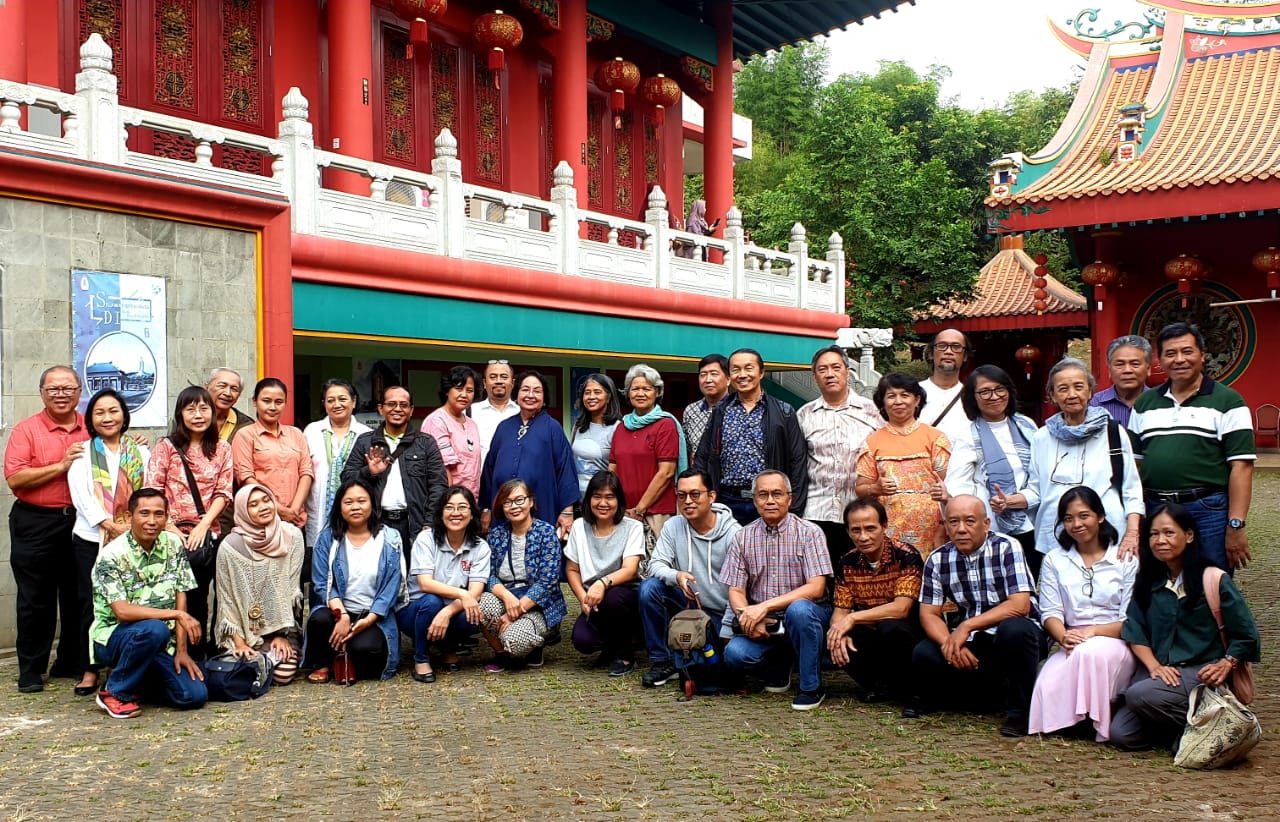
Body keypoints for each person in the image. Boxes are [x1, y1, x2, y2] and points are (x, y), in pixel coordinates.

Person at [1109, 503, 1260, 751]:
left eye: (1169, 533)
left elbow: (1246, 634)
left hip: (1200, 670)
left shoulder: (1213, 578)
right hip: (1160, 671)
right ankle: (1196, 729)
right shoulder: (1148, 580)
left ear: (1189, 535)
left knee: (1139, 695)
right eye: (1154, 534)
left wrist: (1227, 663)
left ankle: (1221, 722)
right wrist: (1154, 666)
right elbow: (1135, 629)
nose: (1160, 540)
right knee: (1122, 734)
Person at [907, 495, 1045, 737]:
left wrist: (966, 626)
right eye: (953, 522)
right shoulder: (938, 559)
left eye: (970, 521)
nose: (961, 529)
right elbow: (929, 614)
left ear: (987, 524)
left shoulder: (1007, 547)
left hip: (1016, 634)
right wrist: (950, 644)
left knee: (1014, 630)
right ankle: (974, 696)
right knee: (924, 653)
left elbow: (1020, 605)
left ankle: (1019, 713)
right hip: (975, 640)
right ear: (946, 526)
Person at [1128, 322, 1255, 574]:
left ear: (1202, 356)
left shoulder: (1228, 401)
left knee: (1211, 580)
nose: (1179, 360)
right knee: (1161, 579)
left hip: (1208, 509)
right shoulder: (1145, 404)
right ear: (1160, 361)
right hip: (1157, 508)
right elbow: (1135, 465)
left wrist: (1236, 524)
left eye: (1187, 351)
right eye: (1170, 353)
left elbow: (1241, 466)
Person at [999, 357, 1142, 580]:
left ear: (1090, 391)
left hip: (1108, 534)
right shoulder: (1042, 437)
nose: (1072, 394)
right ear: (1052, 395)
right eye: (1063, 389)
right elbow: (1037, 490)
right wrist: (1009, 501)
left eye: (1078, 386)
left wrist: (1132, 534)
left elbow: (1131, 488)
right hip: (1056, 536)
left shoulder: (1112, 431)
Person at [1028, 486, 1138, 741]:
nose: (1077, 524)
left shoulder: (1125, 558)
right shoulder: (1055, 560)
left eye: (1084, 515)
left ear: (1100, 516)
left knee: (1091, 652)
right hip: (1073, 643)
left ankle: (1096, 720)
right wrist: (1063, 636)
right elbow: (1050, 611)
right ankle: (1076, 719)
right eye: (1068, 519)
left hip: (1115, 641)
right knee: (1046, 682)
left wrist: (1093, 632)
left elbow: (1129, 620)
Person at [719, 470, 832, 711]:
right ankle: (780, 665)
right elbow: (736, 590)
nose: (770, 500)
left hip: (807, 614)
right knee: (734, 655)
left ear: (789, 499)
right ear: (754, 500)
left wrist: (764, 607)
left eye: (777, 494)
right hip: (767, 622)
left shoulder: (810, 533)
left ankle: (811, 687)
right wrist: (746, 616)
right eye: (763, 494)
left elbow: (816, 588)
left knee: (799, 611)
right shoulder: (742, 537)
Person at [89, 488, 207, 717]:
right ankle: (114, 692)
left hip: (159, 642)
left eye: (158, 514)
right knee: (155, 628)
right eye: (144, 513)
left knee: (194, 695)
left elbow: (180, 596)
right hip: (113, 638)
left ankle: (138, 679)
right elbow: (122, 611)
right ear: (129, 516)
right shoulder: (111, 555)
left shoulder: (173, 544)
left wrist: (182, 650)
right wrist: (175, 616)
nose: (152, 521)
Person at [5, 365, 88, 693]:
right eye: (53, 389)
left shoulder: (90, 428)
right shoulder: (27, 430)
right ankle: (30, 668)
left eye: (68, 388)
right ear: (42, 393)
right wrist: (61, 466)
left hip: (80, 521)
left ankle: (68, 660)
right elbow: (15, 479)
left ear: (79, 393)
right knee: (35, 598)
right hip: (35, 521)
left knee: (76, 595)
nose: (61, 394)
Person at [67, 388, 150, 696]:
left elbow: (149, 492)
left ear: (123, 415)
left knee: (131, 602)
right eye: (99, 412)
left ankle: (122, 664)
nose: (107, 417)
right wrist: (109, 526)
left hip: (135, 540)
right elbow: (82, 498)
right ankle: (88, 670)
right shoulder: (82, 453)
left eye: (113, 411)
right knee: (92, 603)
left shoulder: (140, 451)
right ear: (91, 419)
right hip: (92, 539)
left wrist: (132, 529)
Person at [146, 386, 235, 652]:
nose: (198, 414)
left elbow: (224, 492)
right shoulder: (166, 447)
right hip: (168, 535)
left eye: (204, 408)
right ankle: (167, 651)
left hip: (205, 534)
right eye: (191, 408)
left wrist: (203, 525)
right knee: (167, 596)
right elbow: (152, 490)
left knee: (198, 597)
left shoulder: (222, 449)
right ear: (180, 413)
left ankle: (196, 654)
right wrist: (170, 527)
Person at [638, 469, 742, 688]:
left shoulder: (735, 534)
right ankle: (662, 661)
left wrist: (726, 632)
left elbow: (740, 586)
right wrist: (676, 576)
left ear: (711, 497)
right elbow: (654, 565)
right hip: (689, 605)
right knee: (650, 588)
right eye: (682, 495)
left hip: (721, 614)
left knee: (726, 661)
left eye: (695, 494)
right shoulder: (674, 526)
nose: (688, 501)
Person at [826, 498, 924, 702]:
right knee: (834, 636)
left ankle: (909, 688)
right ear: (848, 532)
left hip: (907, 631)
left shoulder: (906, 556)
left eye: (870, 528)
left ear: (884, 526)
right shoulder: (846, 562)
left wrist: (853, 619)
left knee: (890, 627)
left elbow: (901, 609)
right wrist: (838, 631)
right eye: (856, 530)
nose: (863, 537)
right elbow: (840, 610)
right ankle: (878, 686)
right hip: (871, 631)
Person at [694, 348, 808, 525]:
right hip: (726, 501)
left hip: (768, 501)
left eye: (748, 368)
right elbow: (703, 456)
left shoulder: (784, 412)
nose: (742, 375)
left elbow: (798, 461)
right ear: (730, 375)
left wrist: (793, 508)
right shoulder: (720, 411)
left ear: (761, 372)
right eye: (736, 369)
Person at [306, 478, 404, 682]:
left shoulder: (390, 538)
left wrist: (369, 620)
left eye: (362, 501)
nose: (356, 507)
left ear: (373, 504)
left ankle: (344, 652)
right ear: (339, 507)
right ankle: (325, 660)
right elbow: (322, 584)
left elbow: (391, 587)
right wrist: (341, 615)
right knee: (319, 620)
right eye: (348, 502)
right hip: (336, 612)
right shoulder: (328, 539)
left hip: (372, 615)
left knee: (369, 651)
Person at [797, 345, 883, 566]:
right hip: (816, 511)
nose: (830, 374)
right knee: (822, 577)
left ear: (847, 371)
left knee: (862, 576)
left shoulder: (871, 411)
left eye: (836, 367)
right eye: (822, 369)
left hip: (860, 512)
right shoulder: (804, 414)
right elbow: (797, 462)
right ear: (815, 377)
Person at [342, 385, 448, 563]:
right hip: (376, 522)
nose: (397, 409)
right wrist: (369, 472)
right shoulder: (365, 442)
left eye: (403, 405)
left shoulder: (425, 443)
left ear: (411, 410)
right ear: (380, 409)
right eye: (391, 404)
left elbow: (439, 486)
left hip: (414, 524)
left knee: (414, 578)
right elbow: (346, 480)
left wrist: (429, 524)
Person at [396, 486, 491, 682]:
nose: (456, 513)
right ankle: (421, 658)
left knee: (471, 615)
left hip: (449, 609)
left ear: (472, 513)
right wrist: (463, 595)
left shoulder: (480, 547)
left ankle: (448, 647)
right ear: (440, 513)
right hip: (414, 610)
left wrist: (448, 611)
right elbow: (425, 584)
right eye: (449, 507)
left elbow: (476, 592)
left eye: (462, 507)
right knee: (432, 601)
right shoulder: (426, 539)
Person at [214, 484, 305, 685]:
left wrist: (282, 635)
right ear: (243, 511)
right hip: (243, 632)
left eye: (266, 500)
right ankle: (257, 664)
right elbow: (226, 599)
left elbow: (291, 590)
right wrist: (239, 642)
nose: (263, 507)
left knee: (283, 675)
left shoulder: (291, 536)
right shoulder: (229, 546)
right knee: (241, 663)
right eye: (253, 504)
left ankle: (262, 664)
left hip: (281, 628)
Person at [946, 365, 1038, 557]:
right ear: (973, 397)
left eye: (999, 389)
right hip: (991, 526)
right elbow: (957, 486)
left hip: (1032, 520)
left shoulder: (1027, 426)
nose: (994, 396)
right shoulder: (967, 435)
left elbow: (1041, 473)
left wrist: (1020, 499)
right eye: (985, 392)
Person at [854, 373, 951, 557]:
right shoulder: (872, 442)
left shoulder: (936, 438)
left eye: (905, 395)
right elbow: (860, 489)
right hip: (888, 531)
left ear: (917, 400)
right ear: (882, 403)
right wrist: (875, 488)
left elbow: (949, 487)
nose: (898, 401)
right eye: (891, 396)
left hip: (932, 531)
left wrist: (943, 526)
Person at [564, 471, 646, 676]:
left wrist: (601, 583)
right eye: (597, 496)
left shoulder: (633, 527)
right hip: (593, 598)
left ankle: (626, 654)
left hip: (625, 594)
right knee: (583, 640)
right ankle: (612, 646)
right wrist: (582, 598)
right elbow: (572, 569)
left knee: (612, 599)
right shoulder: (579, 527)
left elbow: (631, 569)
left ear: (619, 500)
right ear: (589, 498)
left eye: (610, 497)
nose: (603, 503)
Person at [480, 479, 568, 670]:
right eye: (508, 502)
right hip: (508, 598)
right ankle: (502, 652)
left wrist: (516, 612)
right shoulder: (496, 535)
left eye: (520, 500)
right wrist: (507, 597)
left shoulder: (546, 532)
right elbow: (488, 575)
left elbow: (548, 581)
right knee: (481, 604)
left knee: (515, 640)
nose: (514, 506)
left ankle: (534, 642)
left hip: (539, 606)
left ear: (531, 502)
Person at [479, 371, 579, 536]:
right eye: (525, 390)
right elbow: (489, 471)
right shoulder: (504, 427)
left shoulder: (553, 428)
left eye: (537, 391)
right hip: (502, 511)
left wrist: (567, 512)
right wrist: (486, 508)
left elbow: (565, 470)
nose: (530, 395)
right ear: (517, 394)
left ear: (544, 397)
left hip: (541, 508)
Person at [611, 364, 686, 539]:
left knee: (655, 563)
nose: (640, 393)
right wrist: (616, 505)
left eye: (647, 389)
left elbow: (666, 472)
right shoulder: (622, 426)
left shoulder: (665, 425)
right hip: (623, 512)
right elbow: (612, 470)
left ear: (657, 392)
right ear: (628, 393)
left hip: (656, 512)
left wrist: (640, 509)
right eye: (635, 389)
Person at [231, 378, 314, 531]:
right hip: (260, 522)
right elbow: (245, 477)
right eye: (266, 401)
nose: (273, 407)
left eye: (279, 402)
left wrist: (293, 511)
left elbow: (306, 473)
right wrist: (278, 510)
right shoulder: (245, 435)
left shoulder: (296, 434)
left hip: (294, 522)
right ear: (255, 401)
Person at [302, 379, 371, 549]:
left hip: (355, 510)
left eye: (342, 399)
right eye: (330, 400)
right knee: (319, 560)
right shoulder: (312, 431)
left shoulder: (367, 434)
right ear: (324, 404)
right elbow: (303, 470)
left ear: (353, 402)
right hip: (318, 510)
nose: (336, 404)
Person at [421, 366, 483, 496]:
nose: (464, 395)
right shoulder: (437, 421)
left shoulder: (472, 424)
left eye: (469, 390)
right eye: (458, 389)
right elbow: (442, 469)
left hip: (471, 500)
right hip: (449, 502)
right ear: (447, 391)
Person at [919, 329, 973, 452]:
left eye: (956, 347)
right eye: (942, 346)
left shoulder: (972, 396)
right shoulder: (913, 393)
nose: (948, 351)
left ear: (964, 356)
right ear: (931, 354)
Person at [570, 373, 622, 496]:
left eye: (597, 392)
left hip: (601, 500)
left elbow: (617, 471)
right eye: (587, 392)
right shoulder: (578, 426)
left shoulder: (617, 428)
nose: (591, 397)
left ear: (609, 397)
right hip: (577, 500)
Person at [1090, 335, 1153, 427]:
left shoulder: (1161, 403)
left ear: (1148, 369)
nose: (1127, 370)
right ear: (1109, 370)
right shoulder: (1093, 405)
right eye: (1119, 364)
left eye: (1135, 364)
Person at [682, 354, 730, 462]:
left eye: (714, 374)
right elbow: (688, 450)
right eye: (703, 375)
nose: (708, 380)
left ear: (728, 379)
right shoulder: (691, 410)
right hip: (699, 476)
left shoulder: (737, 409)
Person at [472, 359, 520, 460]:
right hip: (479, 475)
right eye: (493, 377)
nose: (498, 381)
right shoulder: (469, 412)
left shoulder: (522, 412)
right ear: (484, 383)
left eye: (504, 377)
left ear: (512, 383)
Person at [206, 368, 252, 444]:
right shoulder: (188, 418)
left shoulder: (246, 426)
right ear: (207, 387)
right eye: (222, 386)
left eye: (234, 389)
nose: (228, 393)